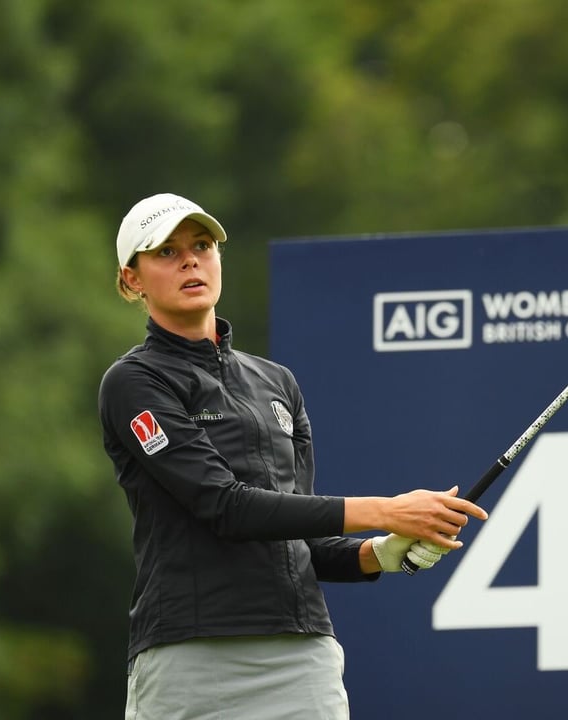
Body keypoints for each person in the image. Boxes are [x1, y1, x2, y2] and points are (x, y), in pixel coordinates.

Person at [97, 193, 487, 720]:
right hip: (190, 654)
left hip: (301, 656)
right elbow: (227, 508)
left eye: (203, 245)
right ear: (132, 280)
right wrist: (389, 510)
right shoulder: (135, 382)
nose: (190, 260)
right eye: (166, 252)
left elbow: (301, 542)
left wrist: (377, 551)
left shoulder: (276, 383)